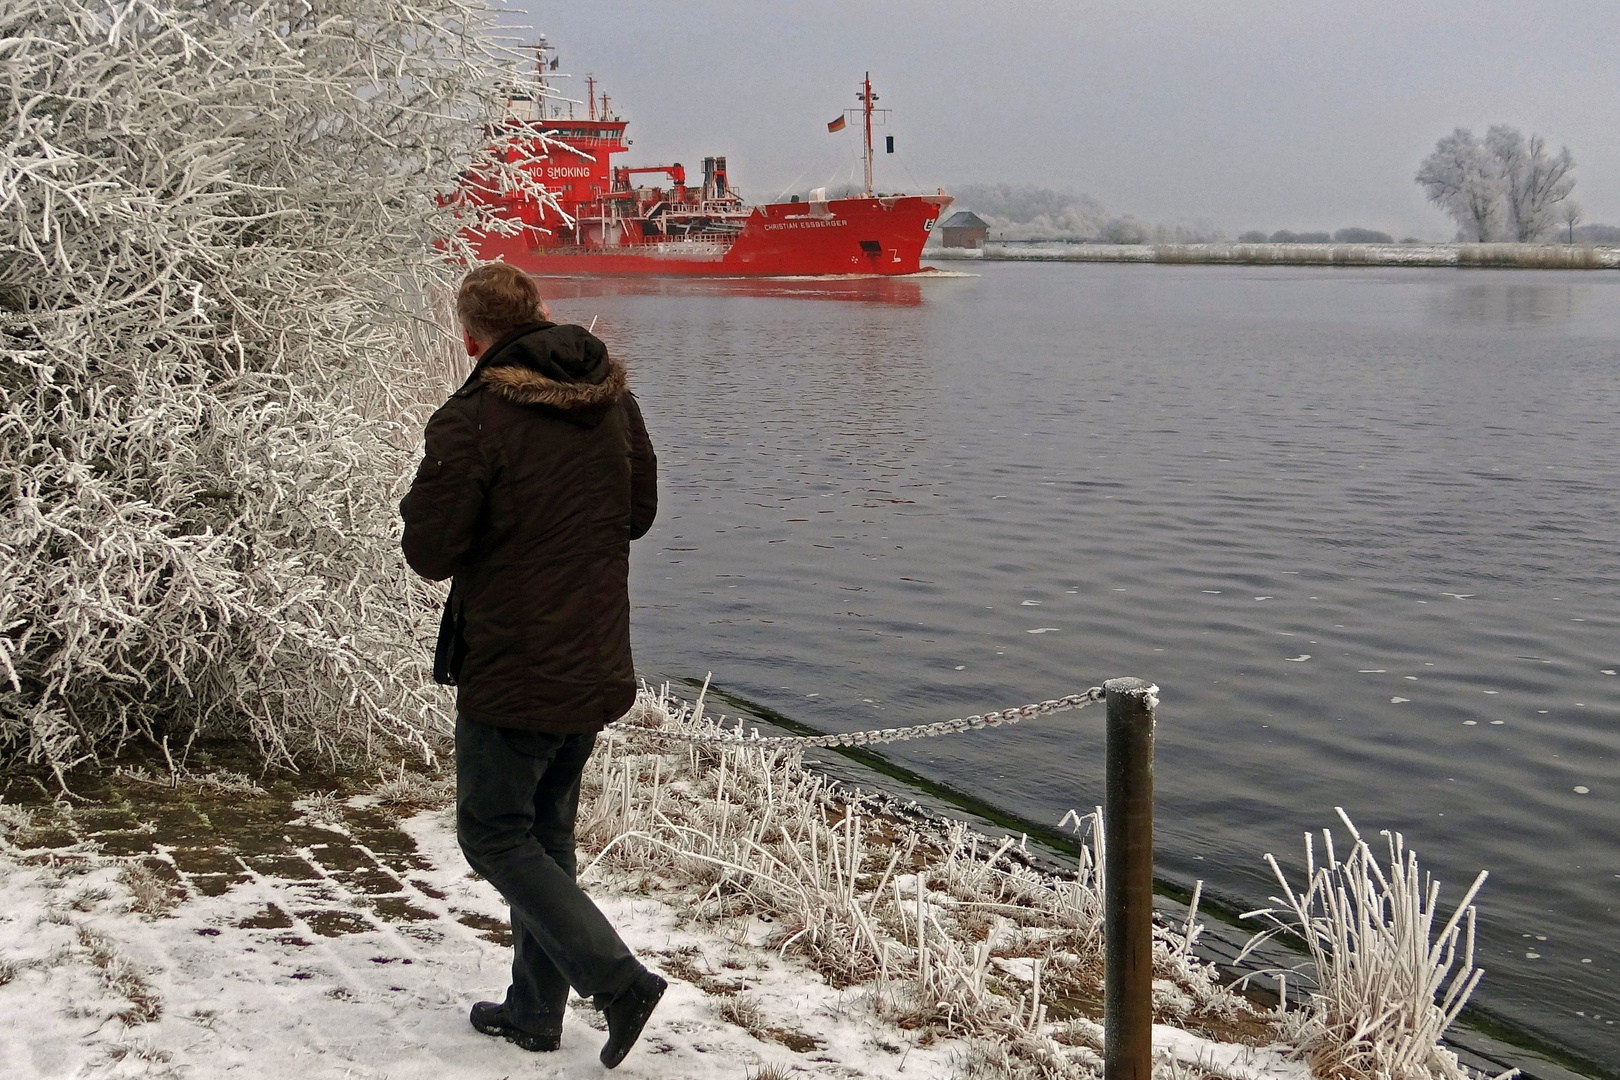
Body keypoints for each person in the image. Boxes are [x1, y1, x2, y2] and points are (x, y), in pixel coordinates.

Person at [400, 262, 665, 1068]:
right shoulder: (611, 397)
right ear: (541, 314)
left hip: (515, 663)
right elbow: (640, 513)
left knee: (491, 834)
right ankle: (533, 1011)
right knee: (544, 834)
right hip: (591, 655)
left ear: (471, 336)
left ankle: (618, 983)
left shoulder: (475, 416)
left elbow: (430, 550)